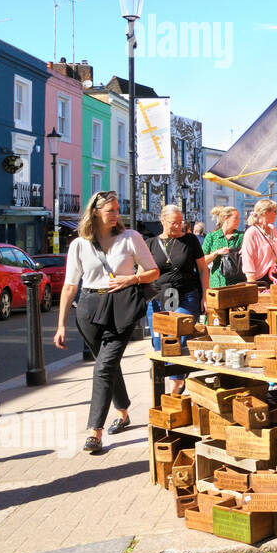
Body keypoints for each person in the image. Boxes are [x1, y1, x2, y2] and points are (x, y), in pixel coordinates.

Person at [54, 191, 160, 455]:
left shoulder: (130, 238)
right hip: (89, 308)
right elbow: (70, 286)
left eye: (116, 210)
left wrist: (131, 279)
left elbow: (154, 271)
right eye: (110, 210)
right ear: (95, 212)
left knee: (103, 367)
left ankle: (94, 432)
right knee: (108, 365)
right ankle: (123, 412)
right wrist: (61, 325)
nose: (115, 215)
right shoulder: (80, 244)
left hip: (121, 307)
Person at [145, 204, 210, 367]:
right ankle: (164, 378)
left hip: (186, 295)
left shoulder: (190, 240)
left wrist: (205, 295)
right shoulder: (151, 243)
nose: (178, 226)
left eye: (180, 222)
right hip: (158, 297)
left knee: (180, 338)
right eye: (173, 222)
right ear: (162, 221)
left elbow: (202, 269)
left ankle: (175, 383)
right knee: (159, 342)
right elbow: (143, 272)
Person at [242, 199, 277, 286]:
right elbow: (247, 259)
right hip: (260, 278)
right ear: (265, 212)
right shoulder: (252, 232)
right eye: (274, 211)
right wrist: (252, 284)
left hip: (276, 275)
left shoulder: (273, 229)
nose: (276, 214)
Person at [202, 205, 246, 287]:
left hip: (237, 283)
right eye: (236, 218)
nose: (239, 221)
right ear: (226, 218)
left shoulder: (241, 236)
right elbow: (202, 261)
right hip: (217, 283)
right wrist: (217, 253)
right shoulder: (212, 236)